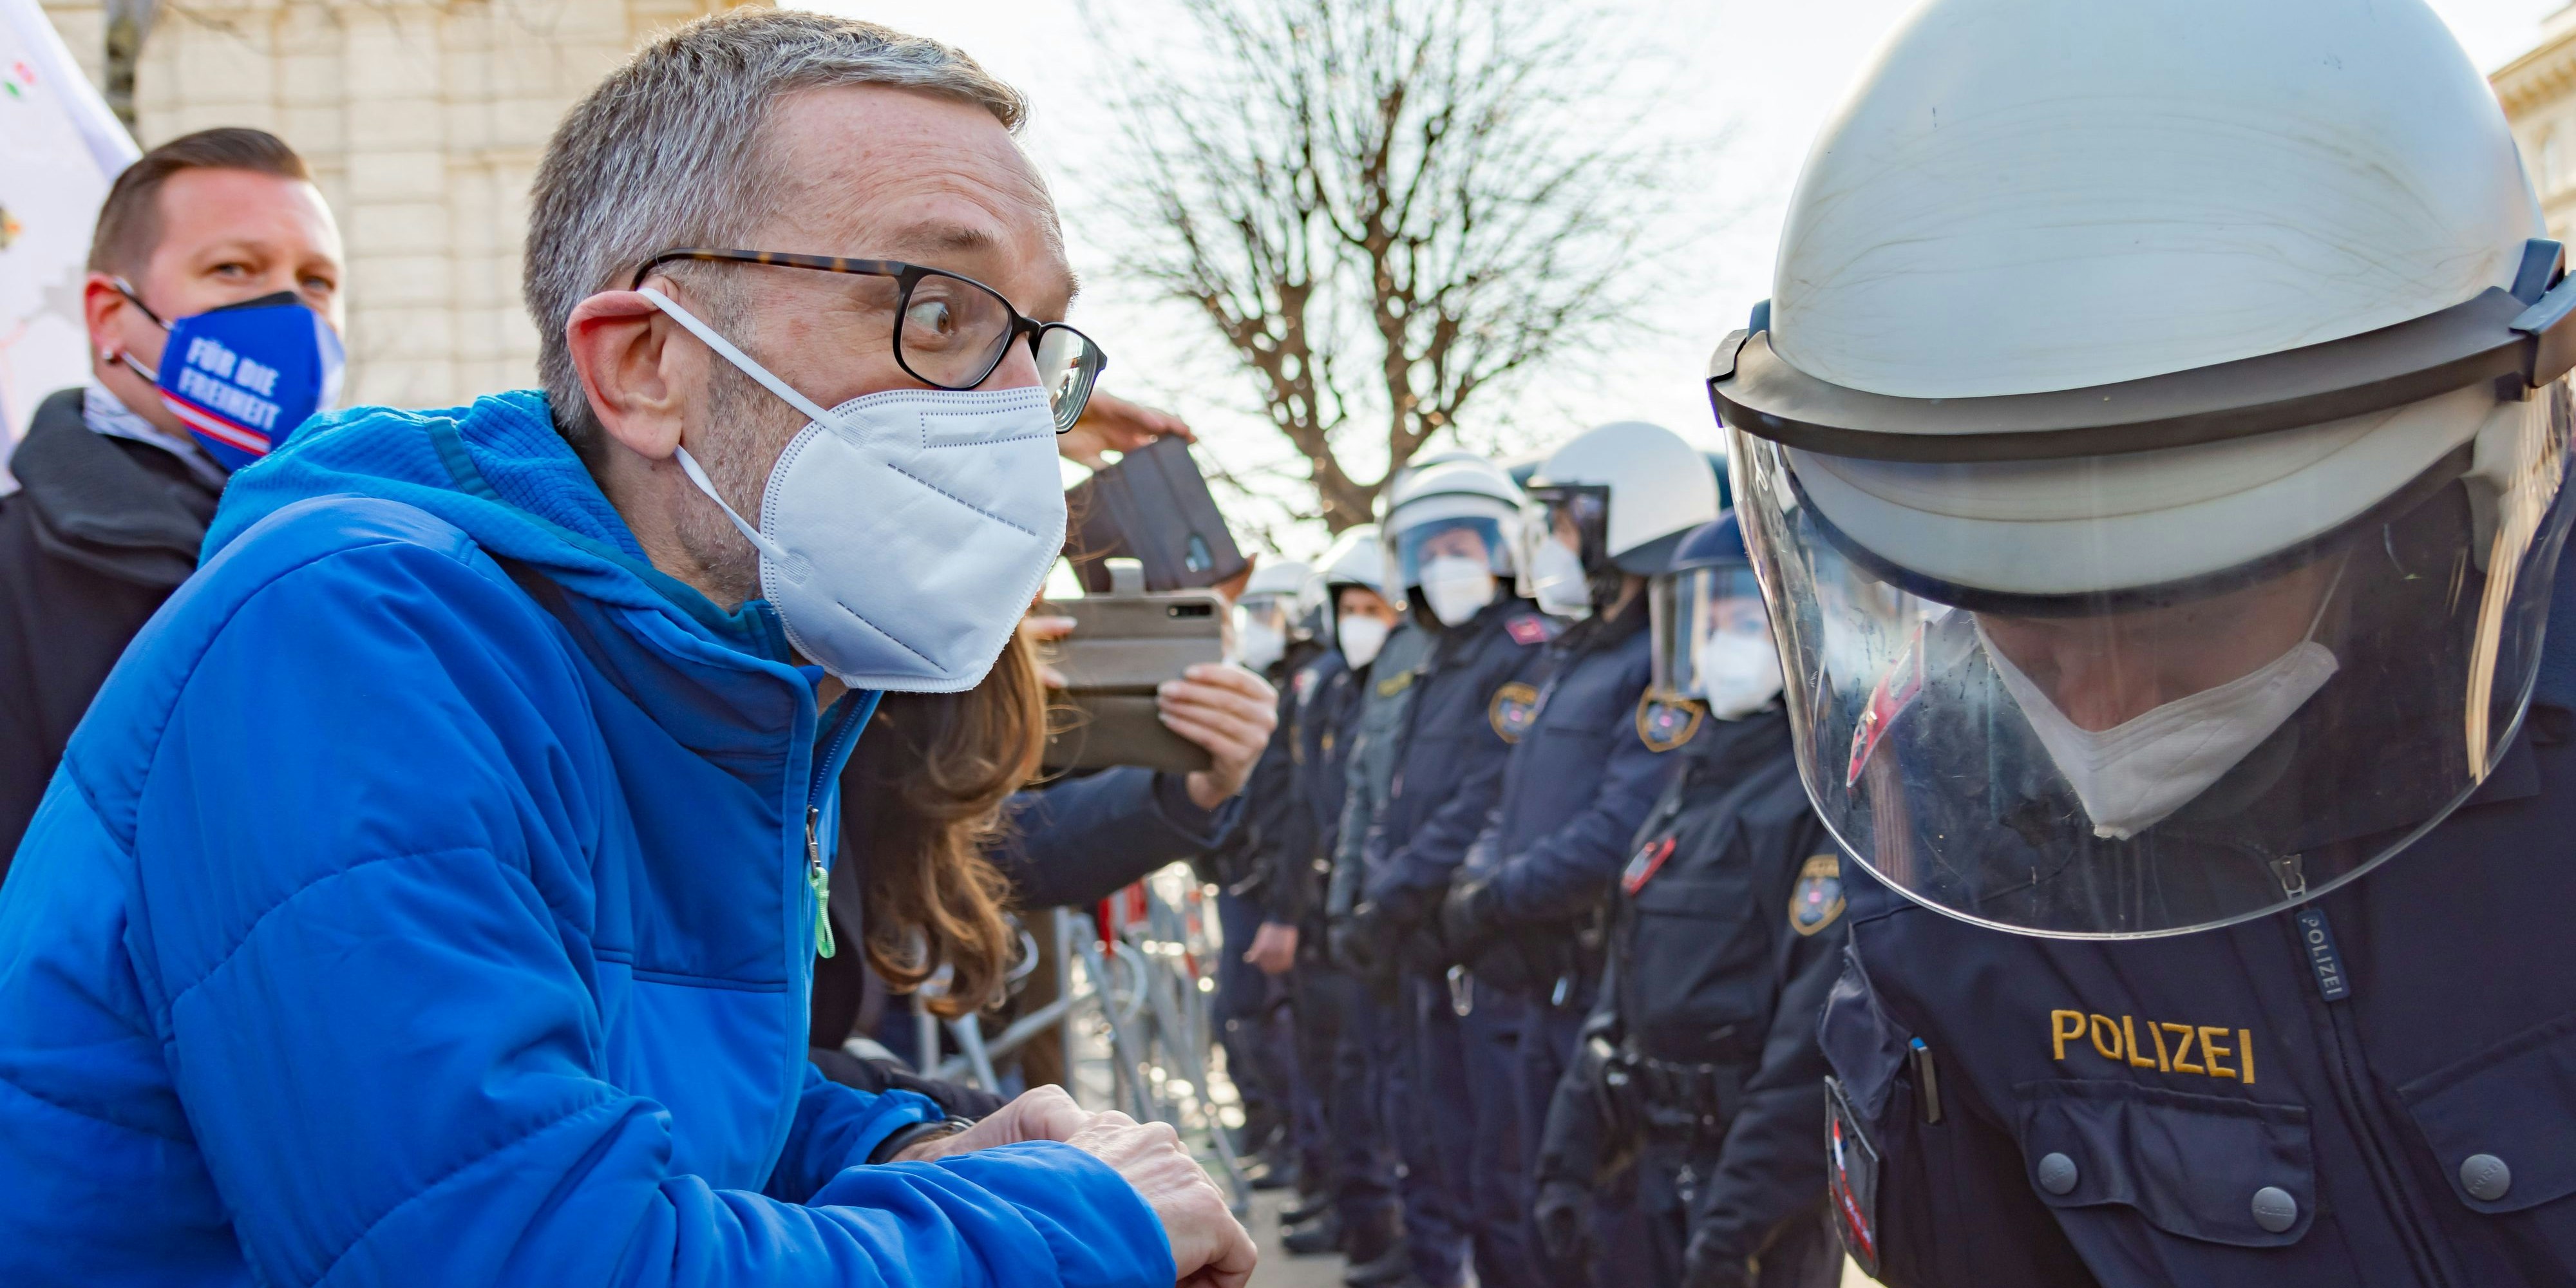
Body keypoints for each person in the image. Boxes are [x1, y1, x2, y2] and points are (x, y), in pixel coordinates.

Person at [0, 12, 1257, 1287]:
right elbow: (514, 1249)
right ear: (647, 365)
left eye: (1034, 348)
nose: (1013, 422)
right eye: (936, 312)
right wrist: (1069, 1231)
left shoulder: (700, 673)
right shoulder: (352, 630)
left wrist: (911, 1147)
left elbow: (650, 1102)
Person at [1703, 0, 2576, 1283]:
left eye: (2181, 599)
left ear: (2421, 510)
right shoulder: (1958, 893)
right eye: (2018, 598)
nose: (2095, 699)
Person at [0, 126, 345, 869]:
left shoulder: (389, 541)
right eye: (233, 268)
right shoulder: (14, 568)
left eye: (317, 282)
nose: (291, 309)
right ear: (109, 317)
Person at [1433, 421, 1720, 1285]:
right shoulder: (1574, 654)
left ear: (1622, 523)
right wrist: (1475, 878)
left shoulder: (1658, 664)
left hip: (1595, 992)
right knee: (1528, 1207)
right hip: (1532, 984)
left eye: (1564, 522)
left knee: (1605, 1228)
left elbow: (1615, 832)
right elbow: (1511, 796)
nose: (1551, 544)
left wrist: (1490, 897)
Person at [1528, 515, 1842, 1288]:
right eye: (1708, 619)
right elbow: (1621, 986)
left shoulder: (1824, 801)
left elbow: (1811, 1050)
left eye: (1746, 618)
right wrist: (1567, 1162)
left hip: (1749, 1201)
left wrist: (1735, 1229)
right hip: (1653, 1172)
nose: (1720, 641)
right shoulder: (1693, 780)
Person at [1333, 452, 1555, 1288]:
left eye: (1464, 545)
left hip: (1478, 942)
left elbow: (1478, 793)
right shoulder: (1430, 654)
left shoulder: (1523, 650)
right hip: (1418, 939)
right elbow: (1393, 795)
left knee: (1499, 1170)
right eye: (1431, 550)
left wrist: (1393, 895)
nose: (1446, 564)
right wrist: (1376, 894)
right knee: (1426, 1142)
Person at [1276, 526, 1408, 1266]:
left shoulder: (1405, 685)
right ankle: (1351, 1208)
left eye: (1373, 604)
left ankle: (1386, 1226)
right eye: (1349, 605)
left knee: (1379, 1079)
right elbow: (1307, 803)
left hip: (1378, 918)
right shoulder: (1331, 686)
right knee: (1337, 1067)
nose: (1361, 619)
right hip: (1333, 909)